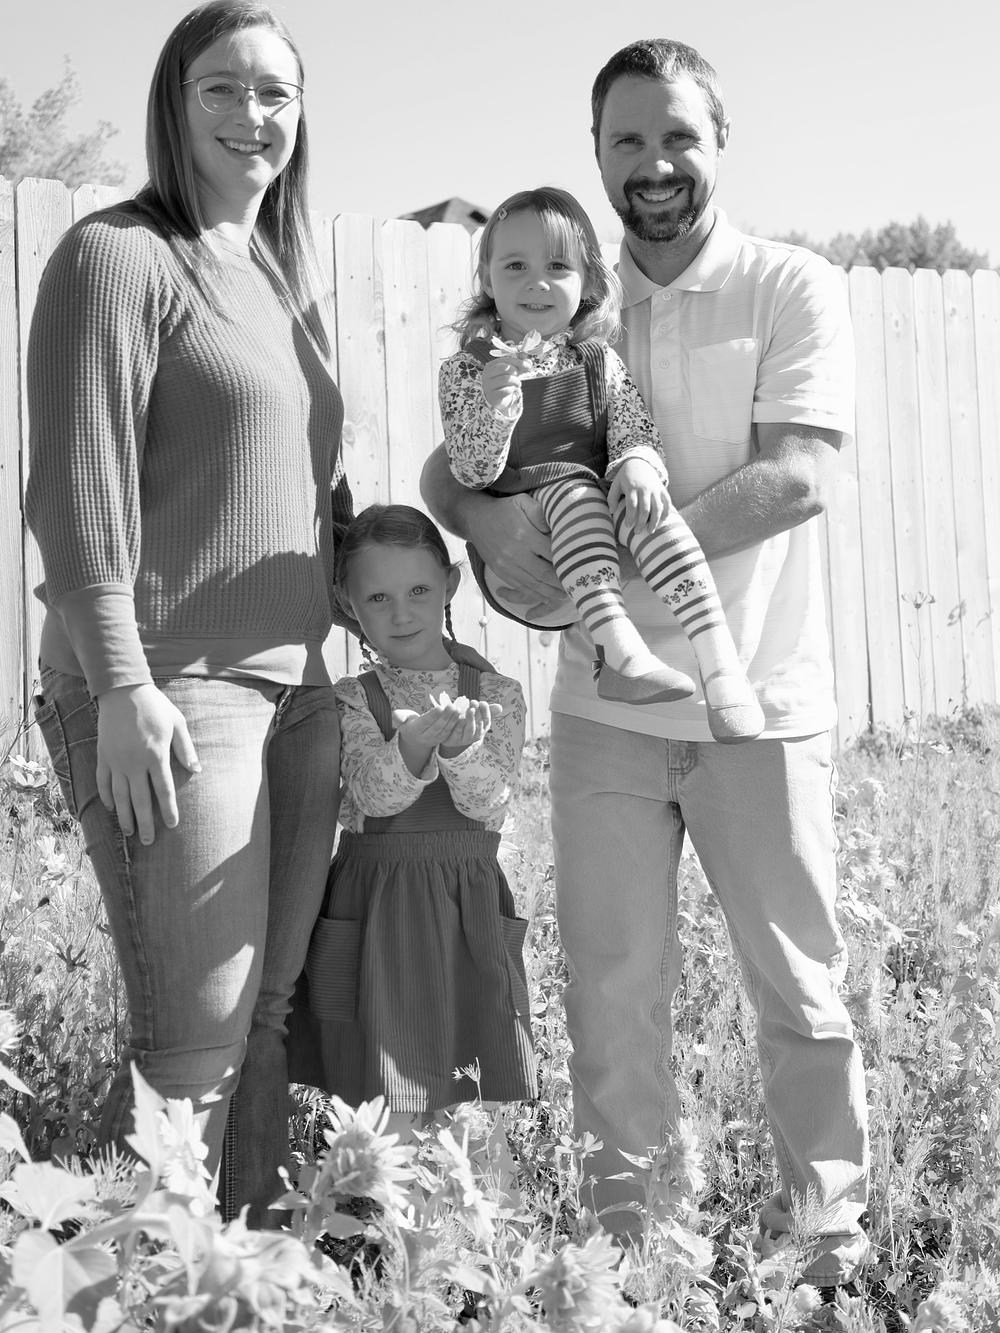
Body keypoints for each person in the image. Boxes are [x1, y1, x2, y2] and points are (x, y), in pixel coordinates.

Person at [421, 38, 870, 1292]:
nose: (654, 163)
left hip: (757, 703)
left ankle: (824, 1243)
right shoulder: (565, 285)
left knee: (798, 987)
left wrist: (603, 563)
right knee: (612, 992)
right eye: (627, 140)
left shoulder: (789, 285)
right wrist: (490, 523)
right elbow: (449, 466)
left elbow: (799, 476)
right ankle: (628, 1254)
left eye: (678, 136)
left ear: (719, 142)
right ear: (596, 153)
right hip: (603, 711)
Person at [25, 0, 353, 1226]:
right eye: (221, 87)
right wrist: (119, 683)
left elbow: (294, 493)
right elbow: (76, 486)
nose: (250, 115)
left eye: (275, 92)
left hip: (299, 687)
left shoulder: (277, 280)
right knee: (195, 1040)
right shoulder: (118, 256)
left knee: (263, 1014)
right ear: (173, 103)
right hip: (171, 687)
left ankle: (249, 1276)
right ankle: (150, 1283)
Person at [440, 185, 763, 741]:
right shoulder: (468, 370)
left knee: (652, 512)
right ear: (487, 281)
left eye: (557, 266)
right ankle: (620, 652)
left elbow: (632, 425)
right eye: (515, 266)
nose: (536, 282)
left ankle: (721, 666)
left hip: (592, 494)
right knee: (576, 496)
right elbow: (471, 471)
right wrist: (497, 410)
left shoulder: (596, 359)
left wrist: (638, 464)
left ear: (587, 281)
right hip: (528, 511)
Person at [286, 504, 535, 1195]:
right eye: (378, 598)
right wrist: (414, 746)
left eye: (420, 590)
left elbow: (489, 802)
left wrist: (459, 752)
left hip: (464, 906)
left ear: (450, 584)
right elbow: (371, 794)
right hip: (379, 909)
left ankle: (482, 1223)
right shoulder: (350, 698)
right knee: (382, 1083)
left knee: (471, 1085)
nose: (401, 613)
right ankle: (380, 1225)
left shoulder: (497, 694)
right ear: (348, 604)